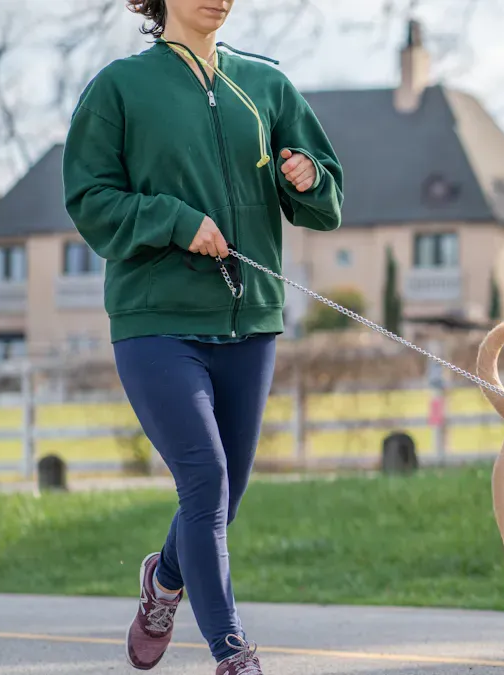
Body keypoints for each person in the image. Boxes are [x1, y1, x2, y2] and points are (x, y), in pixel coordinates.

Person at [61, 0, 343, 672]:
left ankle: (163, 582)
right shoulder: (120, 88)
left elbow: (326, 201)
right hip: (156, 322)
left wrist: (304, 176)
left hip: (251, 323)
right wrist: (173, 220)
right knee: (205, 477)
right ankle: (232, 651)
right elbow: (89, 196)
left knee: (224, 493)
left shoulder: (267, 85)